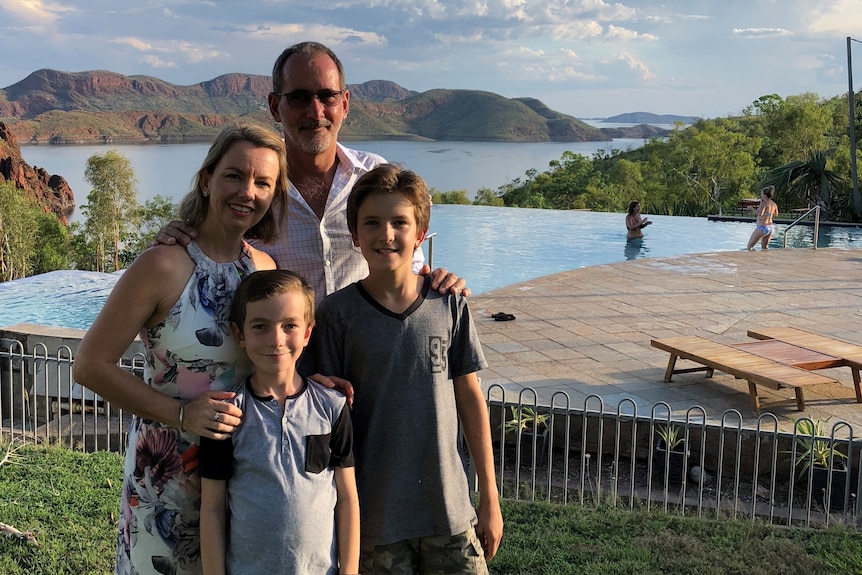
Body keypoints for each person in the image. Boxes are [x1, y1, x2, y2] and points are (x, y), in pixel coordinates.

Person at [74, 123, 289, 575]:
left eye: (263, 182)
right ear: (207, 180)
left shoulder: (263, 268)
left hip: (244, 474)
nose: (247, 192)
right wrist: (181, 415)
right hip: (166, 478)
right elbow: (90, 366)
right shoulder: (162, 264)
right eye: (235, 175)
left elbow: (274, 359)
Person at [302, 164, 503, 575]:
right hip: (374, 522)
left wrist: (490, 500)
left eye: (400, 222)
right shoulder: (337, 315)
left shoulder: (449, 304)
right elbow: (322, 418)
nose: (386, 234)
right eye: (372, 223)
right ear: (355, 236)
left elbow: (469, 400)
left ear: (420, 234)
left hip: (449, 512)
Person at [155, 41, 461, 305]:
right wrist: (176, 236)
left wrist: (439, 281)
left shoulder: (374, 180)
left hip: (368, 364)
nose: (315, 112)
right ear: (275, 106)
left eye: (327, 96)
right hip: (285, 368)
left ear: (344, 104)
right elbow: (207, 243)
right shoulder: (253, 192)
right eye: (299, 97)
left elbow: (410, 268)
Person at [198, 270, 359, 575]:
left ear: (308, 333)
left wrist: (349, 571)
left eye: (289, 326)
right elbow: (213, 509)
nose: (276, 340)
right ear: (239, 334)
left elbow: (348, 498)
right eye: (260, 326)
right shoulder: (224, 415)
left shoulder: (333, 407)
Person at [746, 185, 779, 250]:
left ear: (764, 195)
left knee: (749, 246)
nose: (760, 195)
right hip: (770, 227)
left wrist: (751, 208)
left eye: (761, 193)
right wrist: (768, 214)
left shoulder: (763, 203)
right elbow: (776, 214)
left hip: (762, 227)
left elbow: (760, 214)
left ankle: (752, 259)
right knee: (765, 247)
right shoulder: (773, 204)